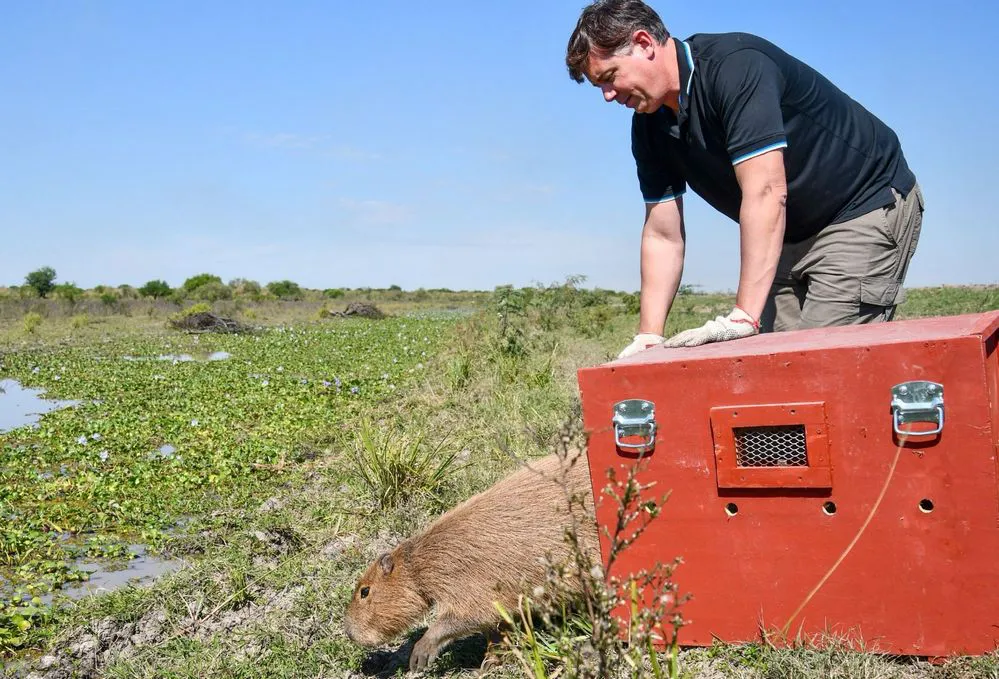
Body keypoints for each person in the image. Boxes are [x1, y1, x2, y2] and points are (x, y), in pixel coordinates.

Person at [565, 0, 924, 358]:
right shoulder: (649, 125)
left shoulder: (735, 66)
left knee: (822, 363)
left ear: (644, 44)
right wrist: (649, 337)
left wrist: (744, 317)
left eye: (609, 78)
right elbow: (663, 234)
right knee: (773, 368)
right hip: (786, 232)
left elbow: (766, 191)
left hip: (859, 204)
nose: (608, 96)